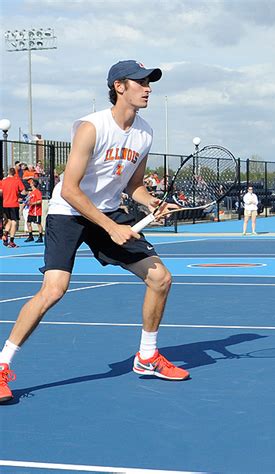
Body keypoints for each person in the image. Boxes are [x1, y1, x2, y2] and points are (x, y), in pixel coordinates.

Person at [0, 59, 189, 404]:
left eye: (150, 82)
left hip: (108, 213)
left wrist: (152, 203)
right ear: (119, 86)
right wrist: (112, 228)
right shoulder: (91, 127)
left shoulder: (145, 132)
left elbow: (134, 186)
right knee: (53, 290)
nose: (148, 88)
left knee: (161, 278)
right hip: (68, 212)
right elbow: (70, 188)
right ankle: (1, 366)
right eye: (140, 82)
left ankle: (147, 357)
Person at [1, 167, 26, 248]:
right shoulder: (17, 181)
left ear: (8, 172)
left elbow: (1, 192)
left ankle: (5, 233)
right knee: (14, 221)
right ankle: (11, 240)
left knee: (8, 220)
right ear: (14, 173)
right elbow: (23, 191)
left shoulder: (3, 182)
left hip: (5, 204)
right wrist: (19, 196)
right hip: (14, 203)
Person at [24, 178, 44, 243]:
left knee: (38, 224)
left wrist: (33, 203)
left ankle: (40, 237)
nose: (30, 183)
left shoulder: (37, 192)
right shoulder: (31, 192)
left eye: (31, 182)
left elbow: (40, 201)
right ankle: (30, 236)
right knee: (28, 223)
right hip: (31, 211)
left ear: (34, 184)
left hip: (36, 211)